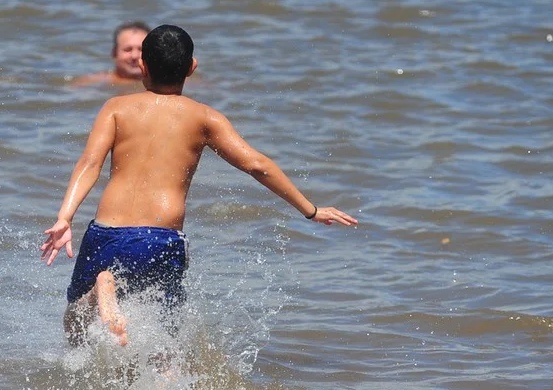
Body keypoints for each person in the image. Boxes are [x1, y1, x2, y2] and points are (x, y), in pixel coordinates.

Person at [41, 24, 358, 348]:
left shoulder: (116, 108)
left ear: (142, 66)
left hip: (108, 232)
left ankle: (98, 292)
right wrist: (311, 210)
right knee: (167, 335)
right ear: (192, 67)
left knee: (75, 328)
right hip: (162, 238)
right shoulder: (204, 117)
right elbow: (257, 165)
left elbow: (89, 165)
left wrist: (65, 217)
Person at [71, 21, 150, 87]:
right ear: (114, 53)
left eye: (141, 49)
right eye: (127, 49)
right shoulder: (91, 83)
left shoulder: (161, 85)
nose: (134, 56)